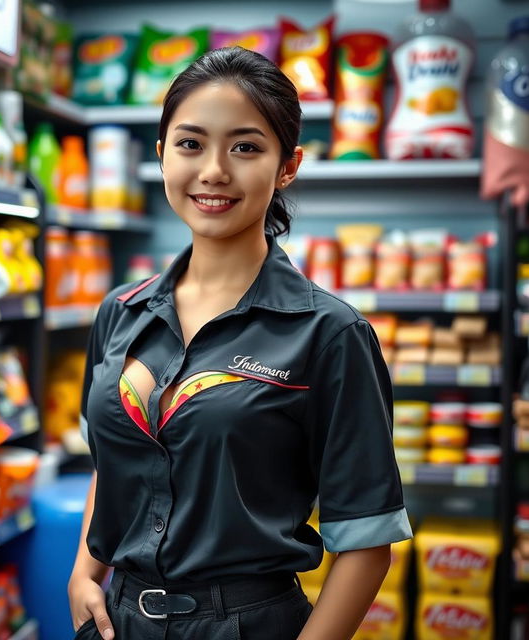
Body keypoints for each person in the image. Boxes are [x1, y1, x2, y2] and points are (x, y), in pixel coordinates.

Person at [68, 46, 412, 640]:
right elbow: (116, 459)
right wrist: (83, 575)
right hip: (115, 621)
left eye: (246, 147)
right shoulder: (119, 313)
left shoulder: (329, 334)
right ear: (162, 154)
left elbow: (367, 544)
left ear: (288, 166)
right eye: (190, 143)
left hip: (248, 624)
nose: (214, 171)